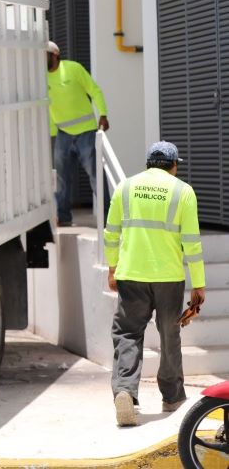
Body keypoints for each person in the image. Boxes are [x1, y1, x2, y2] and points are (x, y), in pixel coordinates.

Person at [103, 141, 206, 427]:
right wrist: (199, 286)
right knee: (169, 334)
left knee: (127, 334)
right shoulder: (183, 191)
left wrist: (113, 268)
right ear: (174, 166)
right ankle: (172, 396)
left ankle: (125, 390)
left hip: (131, 274)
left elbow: (111, 233)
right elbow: (192, 244)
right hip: (168, 278)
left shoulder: (125, 187)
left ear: (149, 163)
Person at [47, 41, 110, 226]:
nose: (42, 58)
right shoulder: (41, 78)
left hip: (87, 133)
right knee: (61, 180)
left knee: (96, 176)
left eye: (45, 54)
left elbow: (94, 90)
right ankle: (64, 218)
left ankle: (109, 220)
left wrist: (103, 114)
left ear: (55, 54)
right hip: (62, 135)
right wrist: (52, 134)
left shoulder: (73, 69)